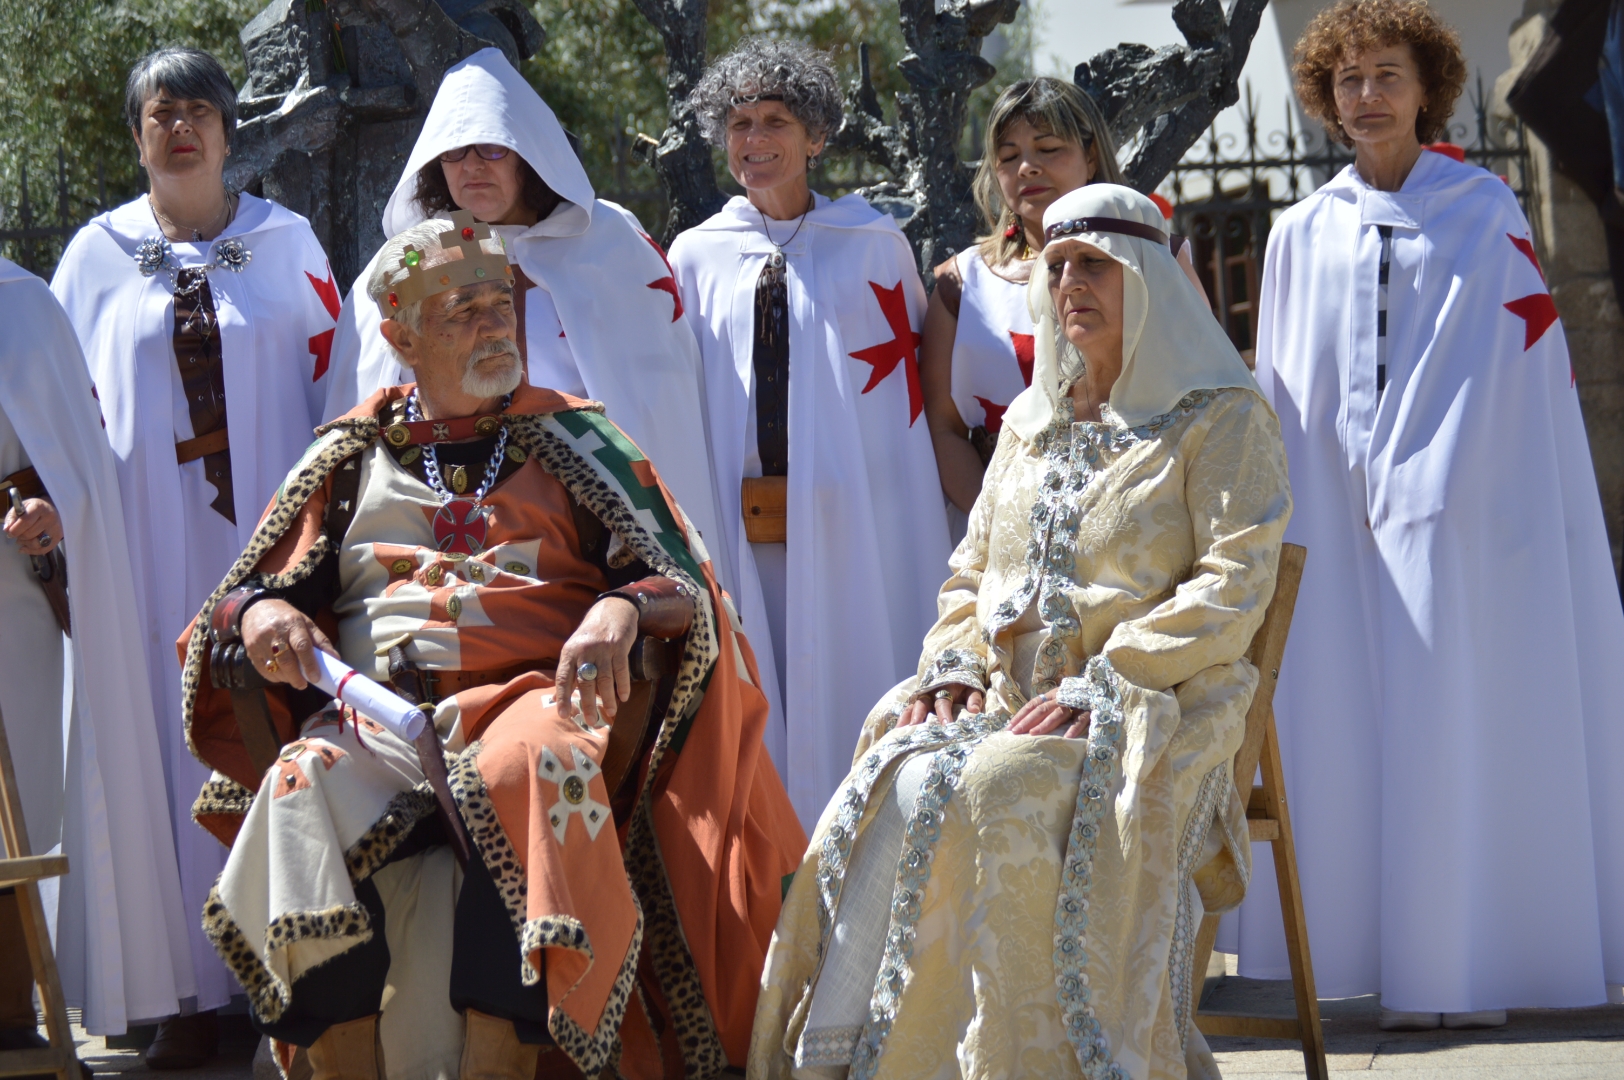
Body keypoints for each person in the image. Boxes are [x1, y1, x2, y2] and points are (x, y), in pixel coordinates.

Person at [183, 214, 805, 1080]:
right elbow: (246, 593)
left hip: (533, 703)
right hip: (379, 721)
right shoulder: (349, 458)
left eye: (496, 301)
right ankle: (341, 1062)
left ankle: (496, 1065)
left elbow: (679, 582)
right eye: (459, 310)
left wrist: (618, 611)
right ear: (401, 338)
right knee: (296, 791)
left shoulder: (578, 438)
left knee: (522, 770)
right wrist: (255, 618)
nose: (491, 323)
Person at [749, 184, 1291, 1079]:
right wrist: (954, 663)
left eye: (1095, 265)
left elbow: (1237, 583)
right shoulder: (1032, 423)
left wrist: (1107, 679)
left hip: (1154, 699)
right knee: (897, 762)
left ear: (1148, 279)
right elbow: (971, 570)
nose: (1071, 281)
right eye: (1059, 265)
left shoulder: (1223, 417)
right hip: (1008, 695)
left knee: (993, 780)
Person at [1245, 0, 1624, 1030]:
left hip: (1454, 518)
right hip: (1332, 520)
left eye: (1386, 75)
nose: (1365, 96)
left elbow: (1504, 374)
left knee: (1445, 718)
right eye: (1347, 79)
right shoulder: (1297, 234)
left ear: (1426, 90)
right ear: (1325, 97)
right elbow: (1289, 392)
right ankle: (1371, 951)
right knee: (1352, 725)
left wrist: (1428, 480)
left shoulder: (1482, 209)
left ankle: (1456, 962)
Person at [48, 46, 339, 1065]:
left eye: (198, 113)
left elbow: (332, 389)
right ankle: (184, 992)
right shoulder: (93, 256)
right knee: (161, 756)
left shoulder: (286, 241)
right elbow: (50, 411)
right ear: (137, 136)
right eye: (160, 115)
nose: (180, 129)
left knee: (270, 736)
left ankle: (291, 981)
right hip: (137, 550)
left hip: (264, 542)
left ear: (228, 130)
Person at [320, 48, 727, 599]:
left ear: (528, 156)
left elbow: (659, 414)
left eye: (491, 149)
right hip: (442, 525)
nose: (471, 167)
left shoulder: (609, 247)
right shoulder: (403, 268)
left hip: (594, 531)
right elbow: (365, 422)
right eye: (453, 153)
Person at [669, 37, 952, 826]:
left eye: (775, 122)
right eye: (739, 123)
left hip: (850, 519)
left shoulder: (873, 248)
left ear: (816, 137)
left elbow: (899, 408)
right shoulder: (695, 256)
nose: (754, 141)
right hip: (740, 521)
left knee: (855, 674)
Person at [0, 256, 192, 1053]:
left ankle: (10, 1011)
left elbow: (77, 464)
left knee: (13, 811)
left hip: (6, 602)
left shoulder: (19, 303)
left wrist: (51, 504)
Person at [920, 79, 1211, 531]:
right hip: (1004, 541)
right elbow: (943, 429)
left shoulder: (1159, 263)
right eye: (1009, 155)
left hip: (1143, 525)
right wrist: (1003, 527)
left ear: (1090, 155)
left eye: (1048, 148)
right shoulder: (959, 286)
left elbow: (1207, 399)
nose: (1027, 168)